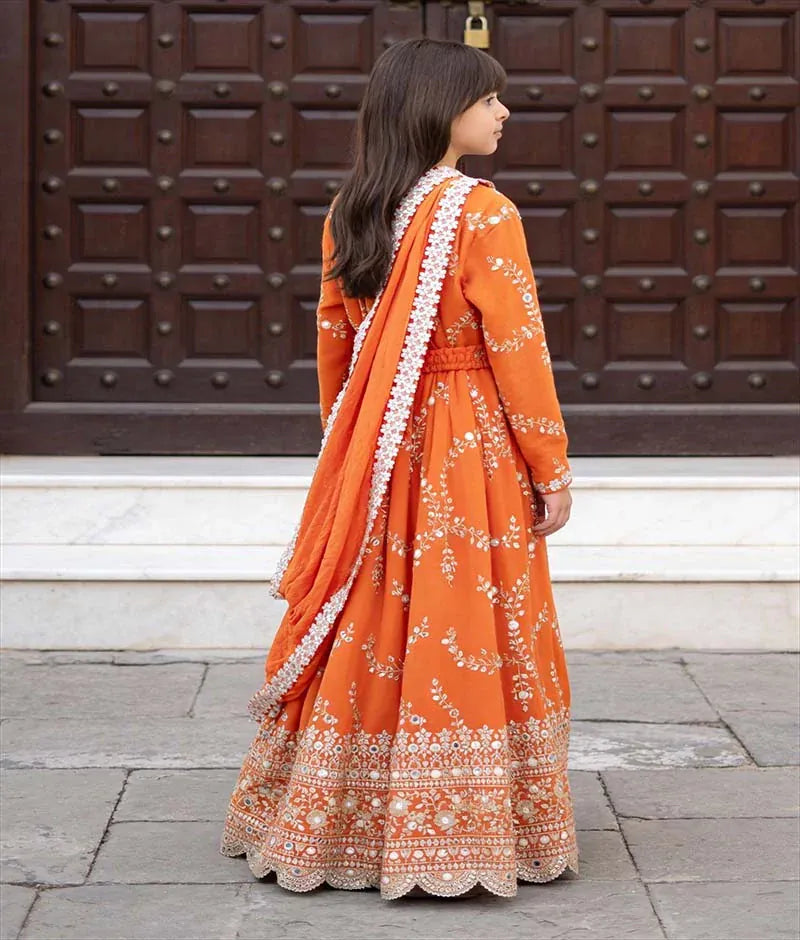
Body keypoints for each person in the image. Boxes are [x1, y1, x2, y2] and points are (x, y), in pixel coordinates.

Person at [220, 37, 578, 901]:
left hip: (376, 442)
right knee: (465, 613)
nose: (503, 114)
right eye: (489, 99)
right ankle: (460, 826)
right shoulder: (483, 212)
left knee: (371, 617)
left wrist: (352, 455)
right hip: (467, 443)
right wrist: (551, 465)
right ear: (438, 106)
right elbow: (517, 347)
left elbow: (335, 351)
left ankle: (339, 814)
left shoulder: (352, 208)